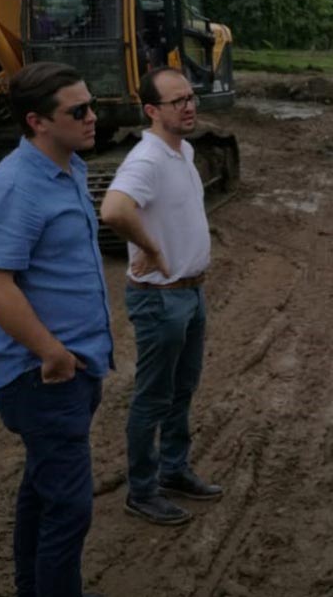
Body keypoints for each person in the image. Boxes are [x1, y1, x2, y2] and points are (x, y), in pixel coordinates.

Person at [0, 61, 114, 597]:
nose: (92, 117)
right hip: (45, 376)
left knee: (42, 492)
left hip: (75, 368)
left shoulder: (69, 168)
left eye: (91, 104)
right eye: (78, 111)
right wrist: (52, 354)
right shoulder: (11, 189)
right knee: (70, 510)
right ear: (37, 122)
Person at [100, 68, 222, 526]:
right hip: (160, 300)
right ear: (152, 111)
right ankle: (142, 489)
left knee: (182, 389)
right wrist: (150, 247)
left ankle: (173, 470)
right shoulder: (146, 158)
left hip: (190, 294)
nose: (189, 106)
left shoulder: (183, 149)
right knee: (153, 397)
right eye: (177, 101)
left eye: (191, 97)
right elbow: (113, 209)